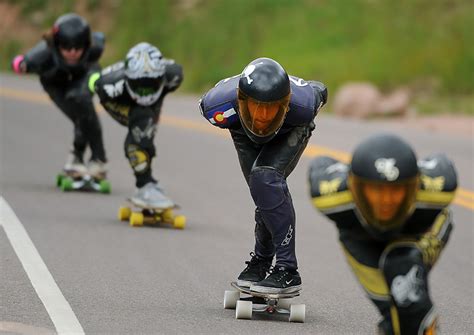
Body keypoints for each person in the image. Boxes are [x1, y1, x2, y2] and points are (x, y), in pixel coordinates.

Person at [199, 57, 327, 294]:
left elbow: (320, 88)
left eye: (272, 109)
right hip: (240, 129)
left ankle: (288, 271)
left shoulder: (304, 105)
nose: (263, 117)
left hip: (291, 127)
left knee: (266, 179)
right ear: (240, 102)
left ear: (286, 103)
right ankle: (261, 262)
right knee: (264, 194)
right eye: (256, 108)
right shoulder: (217, 107)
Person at [308, 133, 457, 334]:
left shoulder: (438, 190)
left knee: (403, 281)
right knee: (393, 314)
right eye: (375, 191)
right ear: (354, 189)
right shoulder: (330, 197)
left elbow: (440, 161)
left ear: (415, 185)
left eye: (396, 191)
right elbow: (321, 163)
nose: (386, 201)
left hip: (421, 230)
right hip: (360, 240)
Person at [11, 13, 107, 178]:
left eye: (78, 47)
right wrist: (21, 64)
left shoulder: (94, 48)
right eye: (66, 47)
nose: (72, 52)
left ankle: (98, 159)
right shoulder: (43, 54)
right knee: (80, 117)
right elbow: (19, 62)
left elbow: (100, 37)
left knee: (83, 104)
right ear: (56, 44)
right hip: (56, 86)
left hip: (84, 79)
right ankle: (77, 157)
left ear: (86, 44)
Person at [89, 42, 183, 207]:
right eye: (140, 86)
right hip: (119, 103)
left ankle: (148, 180)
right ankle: (144, 185)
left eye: (151, 84)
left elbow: (157, 99)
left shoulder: (174, 76)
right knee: (138, 136)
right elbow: (92, 86)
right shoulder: (109, 86)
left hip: (149, 109)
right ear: (128, 79)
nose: (145, 92)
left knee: (146, 136)